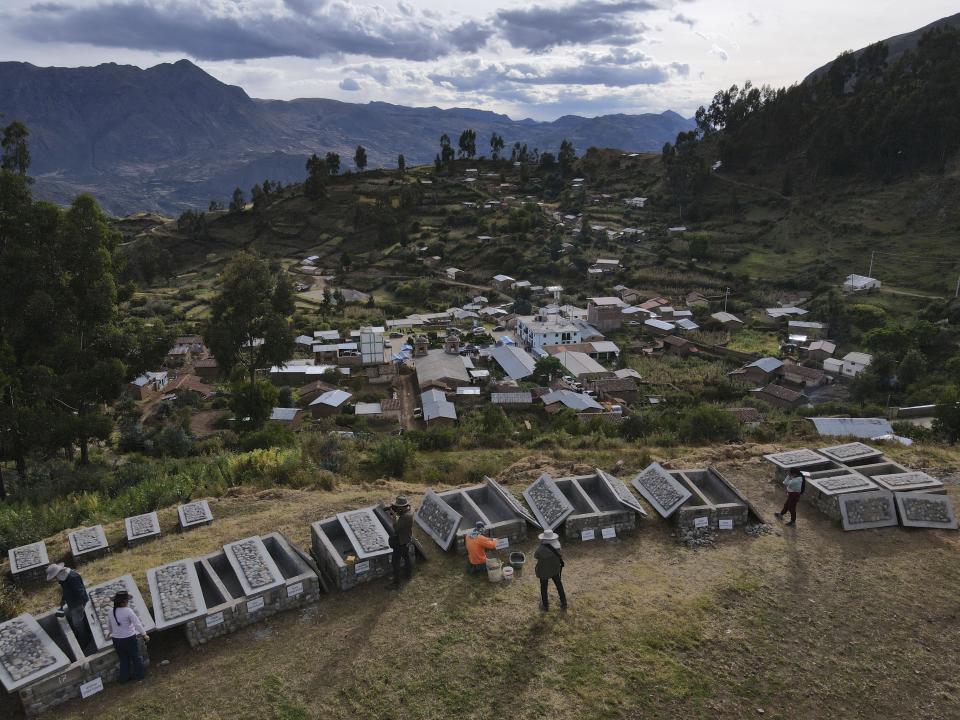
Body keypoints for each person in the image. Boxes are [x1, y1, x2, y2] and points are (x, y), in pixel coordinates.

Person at [46, 563, 92, 648]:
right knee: (77, 622)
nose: (55, 579)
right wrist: (64, 599)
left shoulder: (72, 577)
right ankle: (82, 634)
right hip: (73, 603)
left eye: (54, 577)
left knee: (77, 623)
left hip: (77, 604)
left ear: (57, 573)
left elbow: (80, 593)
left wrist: (78, 607)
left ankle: (85, 640)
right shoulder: (63, 578)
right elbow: (67, 590)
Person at [108, 591, 149, 683]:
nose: (128, 602)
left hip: (116, 640)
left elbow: (109, 625)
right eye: (127, 601)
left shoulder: (110, 612)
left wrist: (110, 633)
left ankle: (124, 678)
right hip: (129, 639)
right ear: (123, 602)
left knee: (123, 659)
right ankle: (140, 675)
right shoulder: (128, 611)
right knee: (135, 657)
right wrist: (144, 634)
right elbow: (137, 624)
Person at [534, 530, 567, 611]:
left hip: (544, 571)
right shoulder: (557, 546)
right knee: (559, 585)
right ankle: (564, 602)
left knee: (544, 587)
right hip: (555, 569)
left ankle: (545, 605)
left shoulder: (541, 549)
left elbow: (536, 556)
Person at [388, 495, 414, 588]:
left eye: (398, 506)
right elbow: (402, 515)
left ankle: (396, 583)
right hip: (406, 539)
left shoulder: (405, 517)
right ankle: (408, 575)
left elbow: (396, 529)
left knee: (395, 562)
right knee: (407, 558)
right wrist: (397, 511)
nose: (397, 508)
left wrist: (394, 518)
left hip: (400, 541)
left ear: (402, 507)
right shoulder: (409, 511)